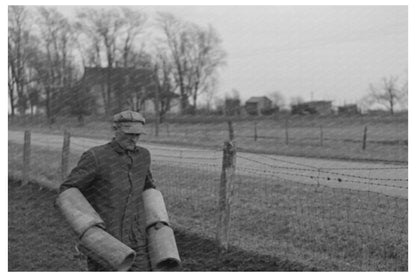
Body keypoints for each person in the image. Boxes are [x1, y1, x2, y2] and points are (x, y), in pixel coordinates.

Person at [59, 110, 155, 271]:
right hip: (106, 240)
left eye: (138, 134)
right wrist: (87, 228)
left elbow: (148, 188)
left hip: (136, 239)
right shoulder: (96, 156)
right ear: (115, 130)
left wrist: (157, 222)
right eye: (129, 133)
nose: (134, 138)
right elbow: (68, 190)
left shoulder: (143, 156)